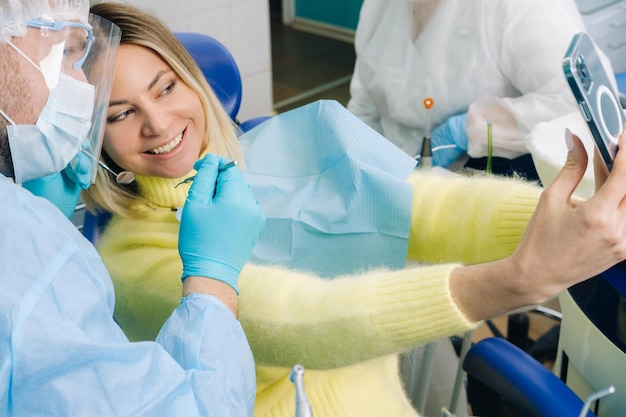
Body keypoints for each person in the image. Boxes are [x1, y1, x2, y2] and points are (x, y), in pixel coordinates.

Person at [86, 3, 626, 417]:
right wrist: (510, 283)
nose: (157, 123)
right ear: (92, 143)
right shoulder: (131, 259)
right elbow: (307, 318)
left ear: (193, 83)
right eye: (121, 114)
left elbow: (428, 205)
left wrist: (571, 215)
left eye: (165, 88)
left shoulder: (266, 152)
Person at [0, 0, 265, 415]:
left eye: (166, 87)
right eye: (65, 51)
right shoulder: (42, 260)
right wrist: (213, 278)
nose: (73, 84)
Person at [347, 0, 592, 177]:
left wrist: (467, 129)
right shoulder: (379, 6)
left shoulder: (524, 7)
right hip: (392, 175)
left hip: (485, 182)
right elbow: (364, 103)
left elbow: (578, 105)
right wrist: (355, 159)